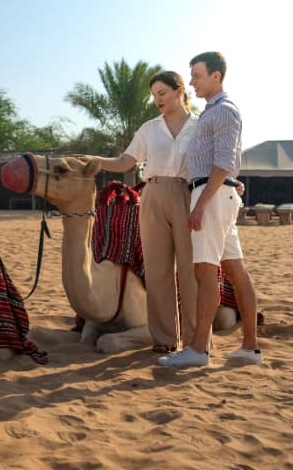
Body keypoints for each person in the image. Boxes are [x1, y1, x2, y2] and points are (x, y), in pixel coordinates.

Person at [158, 51, 262, 367]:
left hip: (211, 195)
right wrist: (228, 185)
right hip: (218, 194)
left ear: (216, 76)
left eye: (197, 75)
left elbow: (223, 162)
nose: (192, 82)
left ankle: (198, 350)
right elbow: (224, 163)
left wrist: (202, 204)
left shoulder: (224, 111)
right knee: (235, 271)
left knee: (205, 272)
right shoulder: (212, 112)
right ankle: (250, 348)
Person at [85, 70, 199, 353]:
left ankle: (196, 343)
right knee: (158, 273)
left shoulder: (200, 126)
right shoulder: (149, 128)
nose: (157, 100)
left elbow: (214, 162)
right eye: (154, 95)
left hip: (188, 194)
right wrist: (95, 160)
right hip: (152, 195)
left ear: (179, 91)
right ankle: (164, 341)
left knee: (191, 272)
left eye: (162, 93)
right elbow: (125, 162)